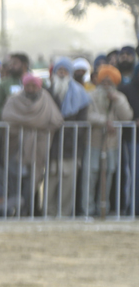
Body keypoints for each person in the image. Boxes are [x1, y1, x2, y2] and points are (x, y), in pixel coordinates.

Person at [1, 73, 62, 216]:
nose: (31, 89)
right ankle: (15, 210)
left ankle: (29, 210)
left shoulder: (46, 99)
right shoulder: (14, 99)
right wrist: (37, 123)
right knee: (14, 180)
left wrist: (29, 124)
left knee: (33, 180)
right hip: (16, 147)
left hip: (38, 148)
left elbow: (56, 120)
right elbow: (7, 116)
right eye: (28, 85)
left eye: (34, 86)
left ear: (39, 86)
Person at [48, 56, 92, 216]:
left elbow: (82, 121)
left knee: (68, 184)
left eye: (65, 70)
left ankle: (64, 214)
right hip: (51, 146)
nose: (61, 73)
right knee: (50, 182)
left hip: (71, 147)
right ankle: (48, 212)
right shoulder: (47, 92)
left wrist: (72, 137)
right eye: (59, 70)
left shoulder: (81, 94)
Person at [85, 65, 131, 217]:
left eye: (109, 82)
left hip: (112, 144)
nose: (106, 85)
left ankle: (103, 209)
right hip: (93, 142)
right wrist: (104, 121)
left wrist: (117, 100)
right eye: (103, 81)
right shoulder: (91, 96)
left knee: (108, 174)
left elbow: (127, 117)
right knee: (90, 175)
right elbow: (88, 116)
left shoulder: (120, 97)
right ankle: (88, 209)